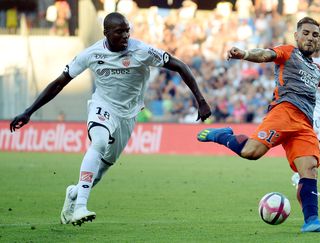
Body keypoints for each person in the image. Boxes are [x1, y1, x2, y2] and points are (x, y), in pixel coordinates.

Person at [197, 17, 320, 233]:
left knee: (310, 169)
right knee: (250, 153)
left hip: (304, 124)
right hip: (283, 112)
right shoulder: (287, 52)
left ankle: (312, 221)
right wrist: (245, 54)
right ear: (296, 35)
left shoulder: (318, 71)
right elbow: (265, 54)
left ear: (319, 40)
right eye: (306, 33)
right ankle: (222, 135)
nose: (310, 38)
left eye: (315, 35)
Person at [10, 12, 211, 226]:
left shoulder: (141, 51)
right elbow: (60, 82)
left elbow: (180, 66)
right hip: (102, 106)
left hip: (128, 115)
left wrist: (200, 100)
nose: (125, 35)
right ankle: (80, 208)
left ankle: (74, 194)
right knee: (98, 142)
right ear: (106, 33)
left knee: (100, 171)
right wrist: (29, 111)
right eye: (119, 31)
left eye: (127, 31)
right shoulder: (91, 54)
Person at [291, 27, 320, 189]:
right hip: (309, 107)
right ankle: (300, 176)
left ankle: (302, 175)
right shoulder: (302, 58)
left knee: (319, 144)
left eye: (319, 37)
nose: (317, 39)